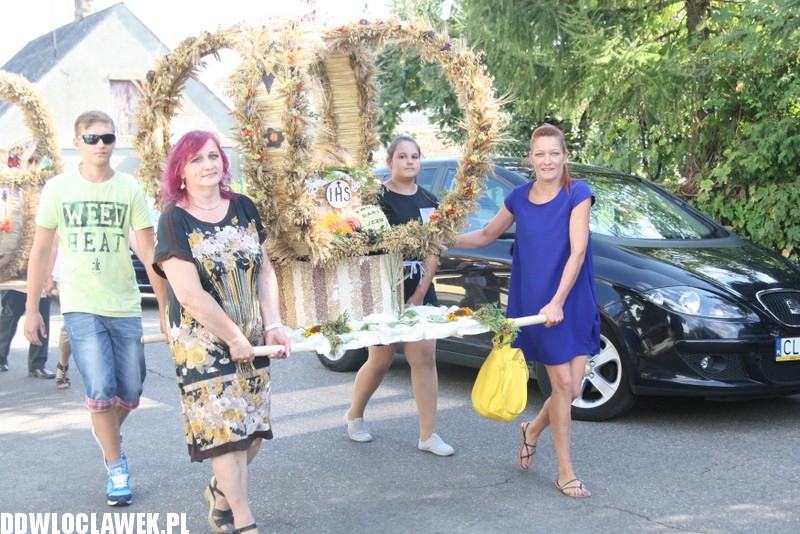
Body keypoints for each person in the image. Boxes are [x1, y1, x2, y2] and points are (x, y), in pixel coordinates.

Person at [24, 110, 167, 506]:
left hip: (124, 303)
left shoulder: (129, 189)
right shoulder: (58, 189)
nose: (101, 145)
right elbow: (40, 250)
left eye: (107, 138)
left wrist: (166, 310)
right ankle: (116, 467)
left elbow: (149, 252)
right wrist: (32, 308)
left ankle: (104, 430)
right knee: (102, 388)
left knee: (131, 390)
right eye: (92, 139)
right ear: (78, 143)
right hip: (80, 302)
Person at [154, 130, 290, 534]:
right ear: (180, 171)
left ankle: (220, 491)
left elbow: (265, 272)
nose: (207, 165)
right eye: (195, 159)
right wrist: (232, 338)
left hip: (251, 335)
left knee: (252, 432)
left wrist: (273, 325)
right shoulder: (174, 218)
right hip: (201, 341)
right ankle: (243, 519)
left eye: (213, 156)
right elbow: (188, 294)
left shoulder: (243, 206)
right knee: (225, 434)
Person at [455, 123, 600, 498]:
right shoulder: (518, 197)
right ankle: (566, 473)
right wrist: (439, 240)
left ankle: (532, 429)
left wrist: (558, 302)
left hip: (571, 299)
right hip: (537, 304)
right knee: (562, 385)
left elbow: (578, 252)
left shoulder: (577, 193)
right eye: (540, 154)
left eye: (554, 153)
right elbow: (486, 235)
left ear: (565, 156)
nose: (547, 160)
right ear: (531, 158)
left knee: (572, 389)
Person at [344, 135, 454, 457]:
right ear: (390, 161)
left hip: (420, 287)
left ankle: (428, 435)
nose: (409, 161)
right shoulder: (375, 199)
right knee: (381, 358)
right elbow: (368, 248)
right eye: (402, 156)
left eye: (414, 156)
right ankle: (354, 415)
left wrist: (419, 293)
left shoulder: (430, 200)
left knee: (424, 357)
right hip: (384, 288)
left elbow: (433, 250)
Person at [0, 288, 55, 377]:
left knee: (42, 318)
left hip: (41, 283)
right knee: (10, 315)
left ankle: (37, 364)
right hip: (17, 282)